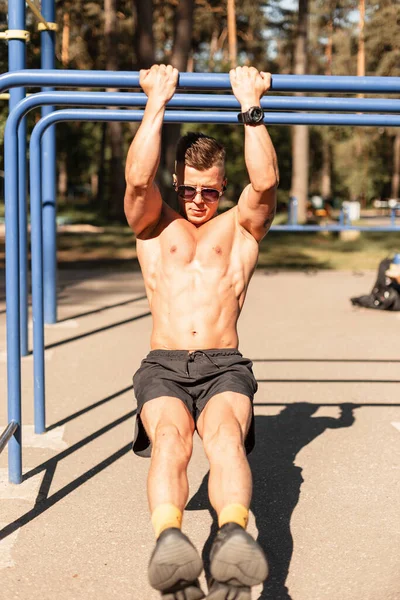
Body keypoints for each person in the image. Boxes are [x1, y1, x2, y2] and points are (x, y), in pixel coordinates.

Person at [124, 64, 279, 600]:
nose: (198, 201)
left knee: (224, 438)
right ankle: (171, 544)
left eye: (209, 192)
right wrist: (156, 101)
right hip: (164, 364)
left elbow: (267, 183)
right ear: (177, 183)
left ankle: (233, 535)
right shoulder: (153, 223)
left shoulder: (240, 226)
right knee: (171, 440)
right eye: (190, 190)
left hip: (224, 365)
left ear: (222, 187)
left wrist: (250, 107)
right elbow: (137, 180)